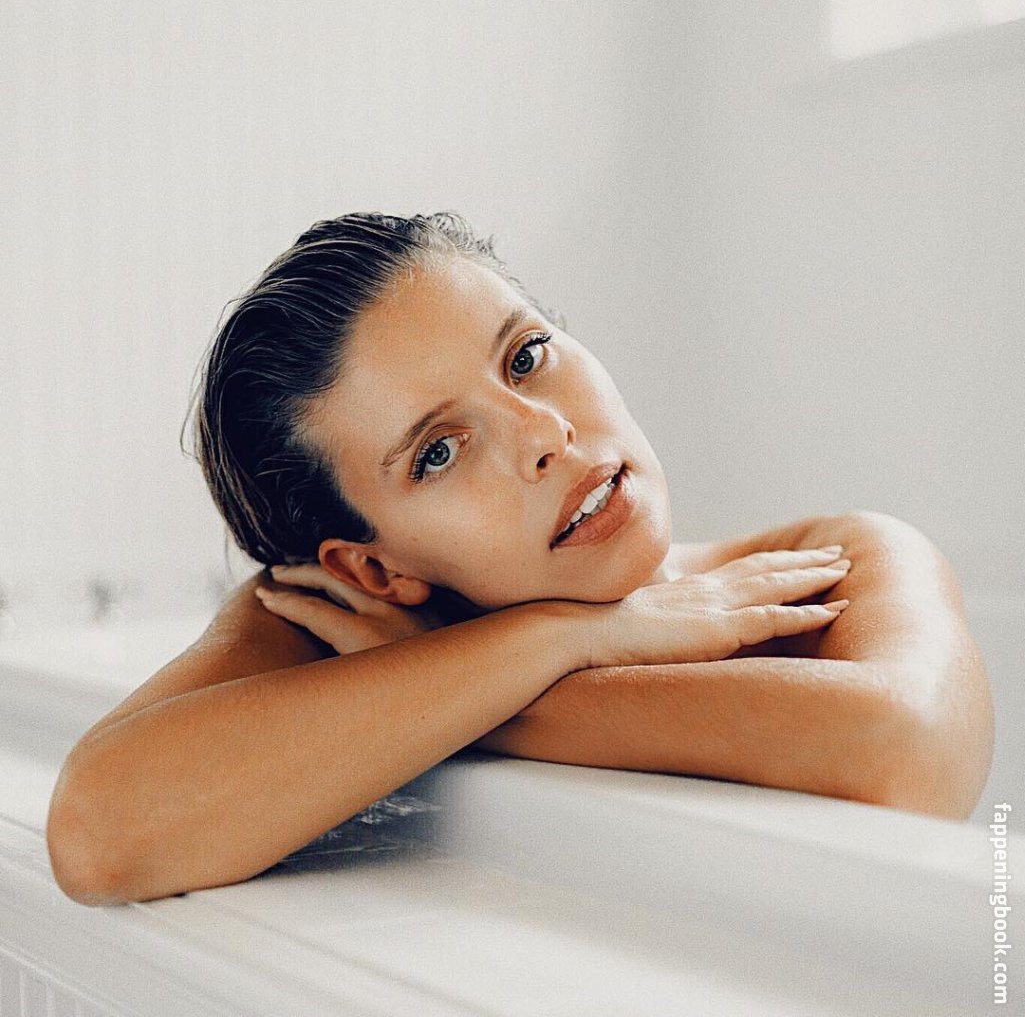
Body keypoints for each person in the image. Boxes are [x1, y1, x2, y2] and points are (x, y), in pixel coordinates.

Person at [46, 211, 994, 906]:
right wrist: (561, 639)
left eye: (526, 357)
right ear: (372, 570)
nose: (544, 435)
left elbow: (906, 754)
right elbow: (99, 834)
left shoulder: (831, 559)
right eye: (438, 452)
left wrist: (455, 684)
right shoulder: (329, 619)